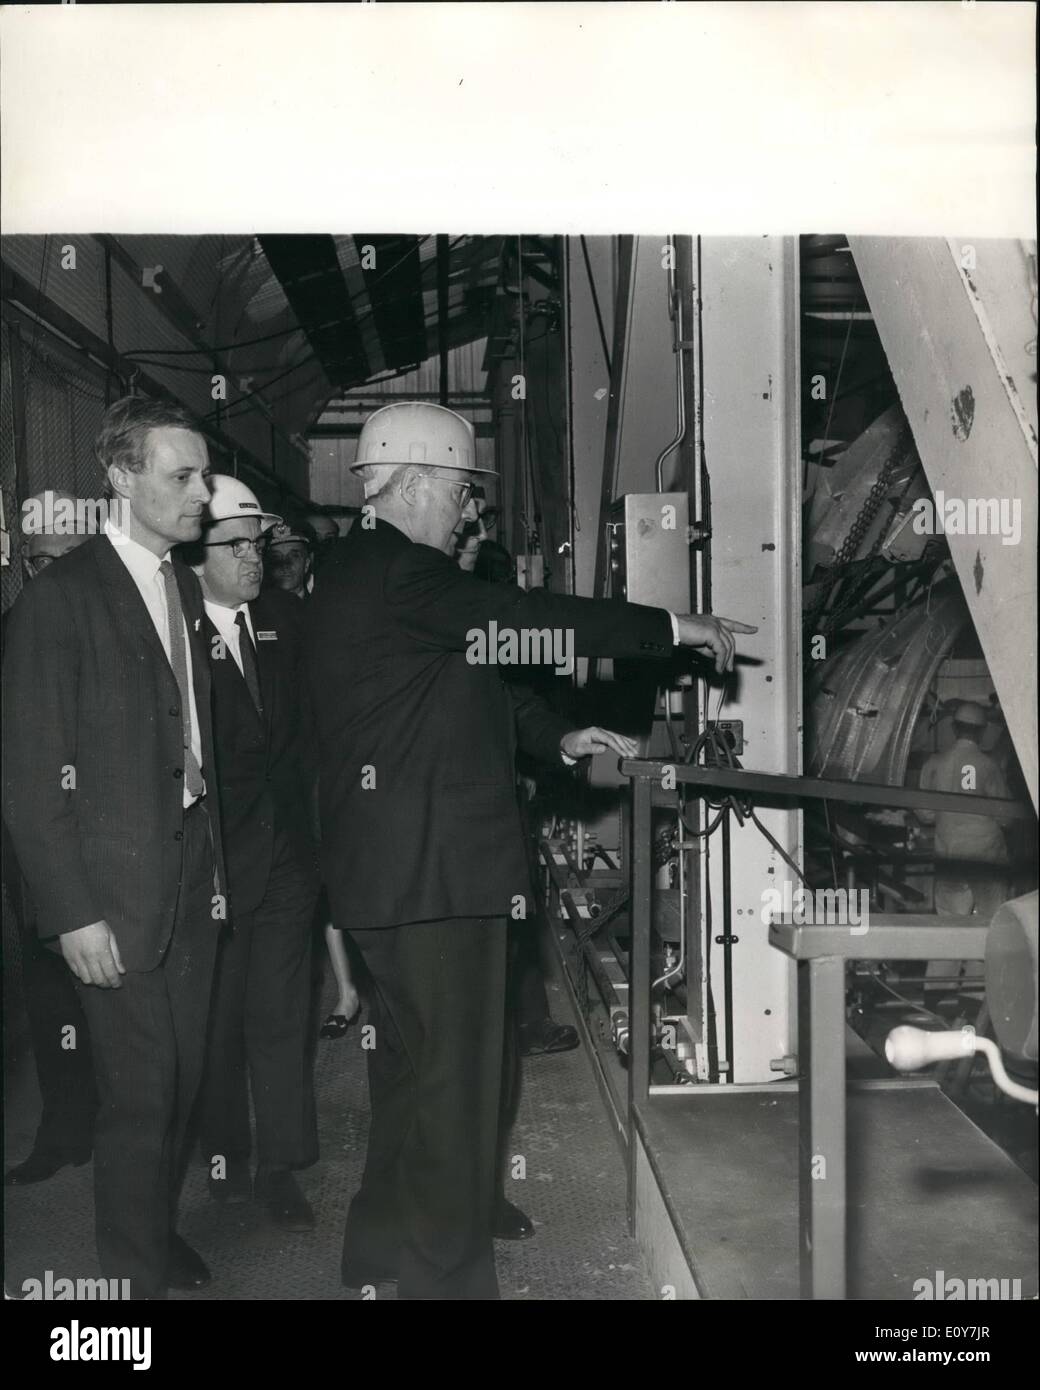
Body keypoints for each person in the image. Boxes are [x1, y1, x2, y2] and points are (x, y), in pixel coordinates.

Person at [305, 399, 756, 1300]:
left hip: (390, 881)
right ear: (421, 482)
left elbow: (468, 684)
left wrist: (559, 736)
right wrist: (672, 628)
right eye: (464, 493)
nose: (471, 512)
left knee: (409, 1077)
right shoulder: (408, 575)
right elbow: (528, 618)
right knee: (457, 1100)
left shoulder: (358, 575)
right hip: (437, 883)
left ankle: (377, 1256)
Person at [2, 396, 226, 1300]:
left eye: (204, 474)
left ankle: (152, 1234)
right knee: (138, 1102)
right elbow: (27, 778)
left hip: (195, 879)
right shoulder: (60, 600)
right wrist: (73, 915)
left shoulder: (176, 581)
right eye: (183, 476)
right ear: (121, 479)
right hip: (113, 898)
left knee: (180, 1086)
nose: (203, 494)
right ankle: (129, 1292)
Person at [187, 476, 322, 1231]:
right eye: (235, 544)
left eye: (257, 543)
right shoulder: (171, 628)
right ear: (195, 553)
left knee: (280, 1019)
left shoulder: (284, 620)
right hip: (212, 867)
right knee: (217, 1023)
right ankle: (224, 1160)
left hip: (287, 863)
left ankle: (279, 1168)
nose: (254, 557)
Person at [4, 492, 97, 1186]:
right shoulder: (9, 634)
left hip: (115, 846)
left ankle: (128, 1140)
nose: (51, 577)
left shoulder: (120, 636)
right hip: (35, 853)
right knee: (52, 995)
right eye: (41, 563)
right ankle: (64, 1130)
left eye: (68, 562)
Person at [917, 700, 1013, 919]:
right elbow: (1007, 818)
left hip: (950, 856)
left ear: (953, 728)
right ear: (982, 731)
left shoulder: (933, 763)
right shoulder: (988, 765)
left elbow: (925, 815)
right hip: (986, 856)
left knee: (951, 924)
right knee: (993, 922)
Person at [264, 518, 316, 600]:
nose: (285, 565)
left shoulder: (321, 609)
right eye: (276, 557)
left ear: (306, 564)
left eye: (294, 556)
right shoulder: (254, 611)